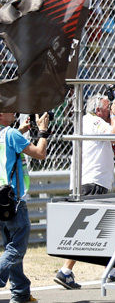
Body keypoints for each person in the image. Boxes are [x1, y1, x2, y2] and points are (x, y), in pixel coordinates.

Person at [54, 94, 115, 289]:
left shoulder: (91, 121)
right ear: (98, 110)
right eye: (107, 107)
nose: (109, 109)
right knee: (91, 229)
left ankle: (110, 270)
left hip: (90, 181)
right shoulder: (94, 121)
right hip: (92, 182)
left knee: (98, 229)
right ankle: (66, 271)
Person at [0, 112, 50, 303]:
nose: (14, 112)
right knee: (16, 249)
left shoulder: (11, 134)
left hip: (0, 200)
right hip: (13, 200)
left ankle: (20, 292)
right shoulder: (11, 135)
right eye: (9, 109)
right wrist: (43, 132)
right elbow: (40, 153)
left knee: (10, 247)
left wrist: (20, 131)